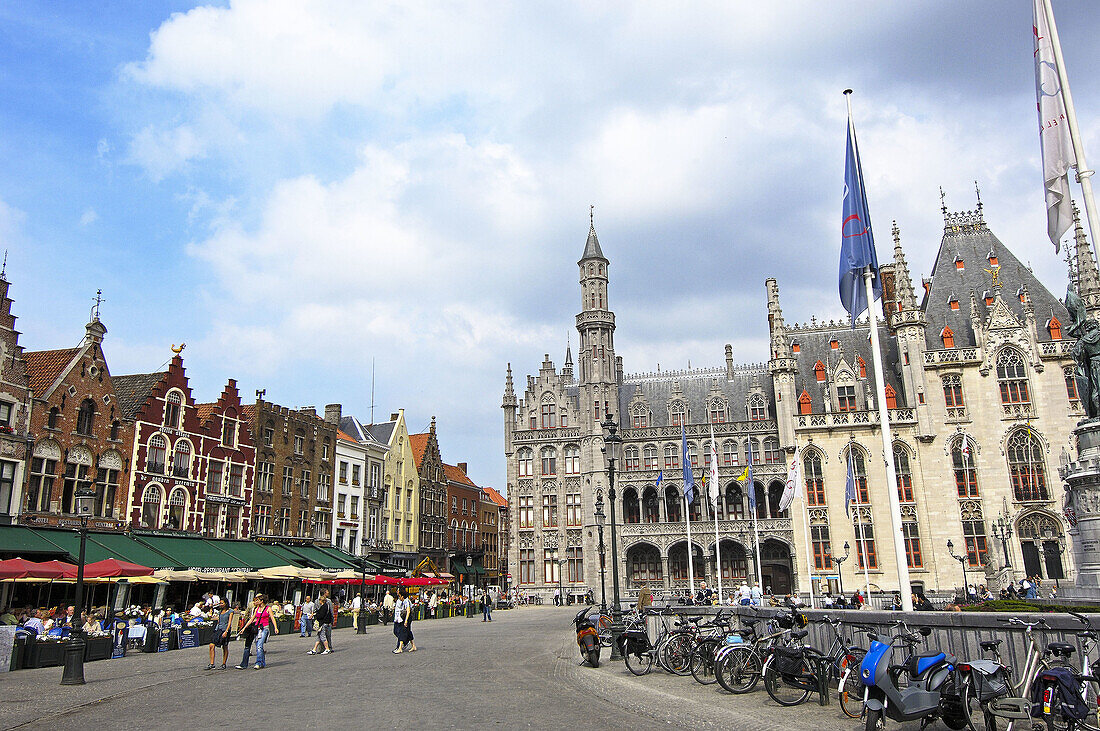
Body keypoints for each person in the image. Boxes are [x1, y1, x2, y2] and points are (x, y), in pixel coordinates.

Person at [236, 594, 277, 669]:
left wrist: (275, 627)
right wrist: (244, 628)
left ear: (262, 601)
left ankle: (258, 663)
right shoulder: (256, 609)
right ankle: (262, 662)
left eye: (257, 600)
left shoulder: (268, 608)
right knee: (258, 646)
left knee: (259, 646)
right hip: (257, 628)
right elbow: (251, 619)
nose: (255, 601)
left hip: (264, 628)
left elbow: (272, 618)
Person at [207, 599, 232, 670]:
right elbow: (218, 621)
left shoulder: (230, 611)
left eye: (222, 603)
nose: (220, 604)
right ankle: (212, 663)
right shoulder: (220, 612)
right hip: (218, 629)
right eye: (220, 603)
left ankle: (224, 663)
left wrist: (226, 631)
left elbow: (229, 622)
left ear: (226, 603)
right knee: (211, 645)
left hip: (225, 629)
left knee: (224, 646)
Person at [308, 590, 334, 655]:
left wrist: (314, 615)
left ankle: (321, 649)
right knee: (325, 635)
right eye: (327, 592)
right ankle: (328, 648)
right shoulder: (328, 602)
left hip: (322, 621)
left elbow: (315, 610)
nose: (328, 593)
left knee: (321, 636)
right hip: (325, 621)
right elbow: (331, 611)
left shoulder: (317, 601)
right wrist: (332, 620)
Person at [393, 588, 415, 653]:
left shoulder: (406, 601)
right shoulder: (402, 601)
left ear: (402, 596)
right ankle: (413, 645)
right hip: (402, 618)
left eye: (399, 596)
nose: (399, 597)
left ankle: (400, 647)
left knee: (402, 632)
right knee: (407, 632)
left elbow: (408, 611)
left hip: (406, 618)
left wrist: (406, 621)